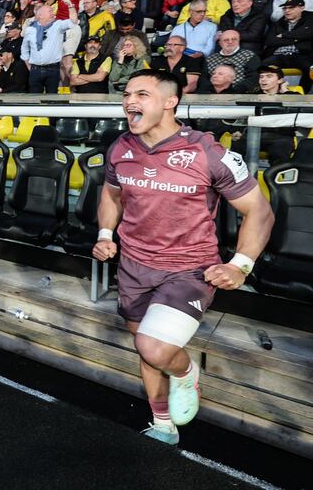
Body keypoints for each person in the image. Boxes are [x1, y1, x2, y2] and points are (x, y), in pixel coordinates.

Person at [94, 69, 273, 446]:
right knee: (146, 350)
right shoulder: (120, 147)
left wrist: (240, 265)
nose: (130, 102)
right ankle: (163, 424)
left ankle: (186, 373)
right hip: (133, 267)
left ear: (170, 101)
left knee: (155, 347)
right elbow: (111, 195)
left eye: (142, 94)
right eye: (127, 94)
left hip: (188, 270)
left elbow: (259, 211)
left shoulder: (208, 152)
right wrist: (106, 235)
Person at [227, 65, 298, 165]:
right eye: (261, 77)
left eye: (269, 76)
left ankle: (275, 178)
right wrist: (236, 130)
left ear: (279, 80)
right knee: (236, 149)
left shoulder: (288, 96)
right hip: (252, 134)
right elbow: (237, 114)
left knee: (281, 149)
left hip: (280, 136)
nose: (263, 79)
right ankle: (238, 179)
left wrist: (285, 91)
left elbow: (301, 107)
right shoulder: (251, 96)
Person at [21, 0, 78, 94]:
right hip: (35, 70)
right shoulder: (30, 29)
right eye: (50, 11)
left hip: (53, 69)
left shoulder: (58, 25)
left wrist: (70, 6)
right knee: (34, 100)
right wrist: (28, 65)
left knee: (52, 100)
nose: (53, 13)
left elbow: (73, 21)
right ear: (40, 15)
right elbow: (24, 49)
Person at [263, 0, 313, 92]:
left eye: (291, 8)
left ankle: (302, 94)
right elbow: (270, 40)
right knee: (263, 67)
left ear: (302, 8)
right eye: (285, 8)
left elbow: (308, 33)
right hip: (279, 55)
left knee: (309, 68)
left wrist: (283, 35)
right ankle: (276, 92)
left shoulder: (309, 19)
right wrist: (296, 39)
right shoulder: (279, 23)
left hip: (300, 54)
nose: (287, 11)